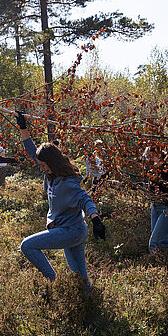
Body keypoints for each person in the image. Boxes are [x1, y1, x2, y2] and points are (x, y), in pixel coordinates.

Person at [15, 111, 105, 288]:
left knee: (27, 245)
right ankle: (88, 302)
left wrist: (96, 220)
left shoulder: (67, 182)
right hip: (74, 230)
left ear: (52, 162)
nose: (40, 168)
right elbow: (33, 152)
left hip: (71, 232)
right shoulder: (53, 175)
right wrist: (23, 128)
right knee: (80, 276)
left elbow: (85, 199)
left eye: (42, 165)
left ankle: (55, 284)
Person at [143, 146, 168, 252]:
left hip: (167, 209)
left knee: (155, 242)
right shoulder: (151, 171)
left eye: (152, 156)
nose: (149, 159)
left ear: (159, 156)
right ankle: (165, 264)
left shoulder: (166, 169)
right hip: (155, 207)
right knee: (159, 241)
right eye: (148, 157)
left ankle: (157, 266)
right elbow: (153, 187)